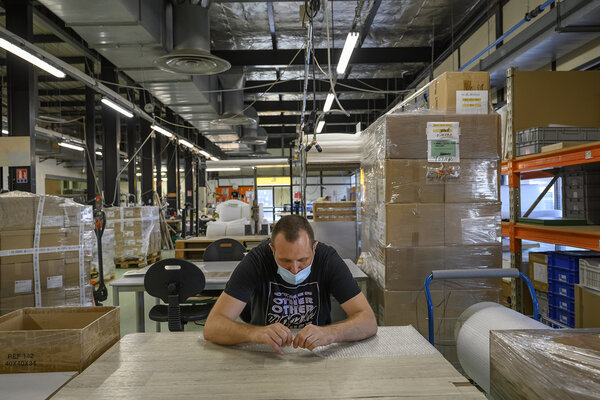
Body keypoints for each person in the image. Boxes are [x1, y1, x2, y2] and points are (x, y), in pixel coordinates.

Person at [203, 215, 377, 354]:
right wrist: (254, 333)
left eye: (303, 260)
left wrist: (330, 333)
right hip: (263, 352)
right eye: (285, 261)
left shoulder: (327, 260)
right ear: (272, 250)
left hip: (316, 352)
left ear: (314, 248)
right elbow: (213, 326)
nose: (294, 269)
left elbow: (368, 321)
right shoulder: (256, 261)